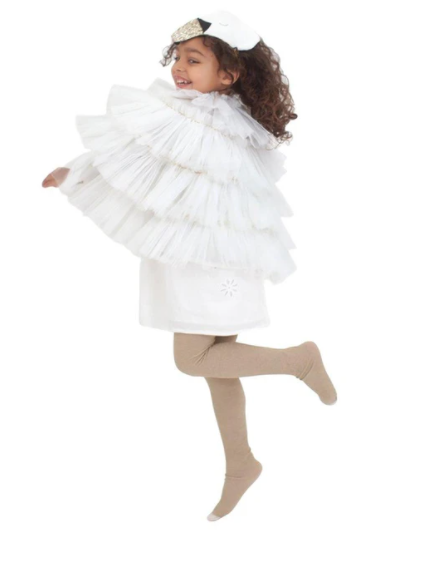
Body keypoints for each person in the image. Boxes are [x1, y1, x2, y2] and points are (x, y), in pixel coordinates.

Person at [42, 10, 337, 522]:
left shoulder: (219, 124)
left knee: (193, 359)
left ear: (228, 75)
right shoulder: (187, 113)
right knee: (219, 368)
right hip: (195, 252)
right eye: (178, 57)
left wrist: (79, 176)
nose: (180, 67)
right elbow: (133, 157)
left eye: (194, 60)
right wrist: (76, 173)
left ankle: (299, 360)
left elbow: (164, 167)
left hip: (208, 259)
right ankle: (240, 463)